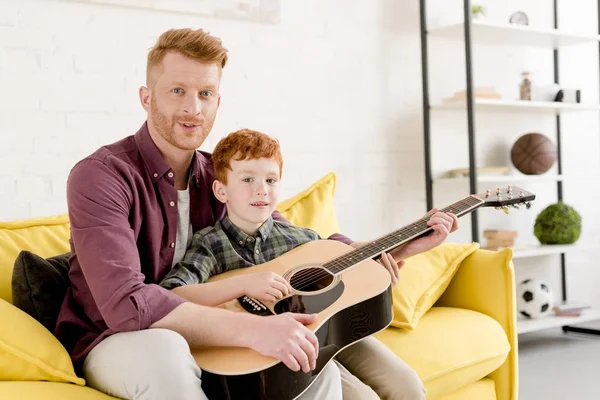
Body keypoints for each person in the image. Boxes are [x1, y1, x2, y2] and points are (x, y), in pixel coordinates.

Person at [54, 28, 458, 400]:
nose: (193, 108)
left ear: (218, 100)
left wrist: (402, 247)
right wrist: (258, 331)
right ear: (146, 97)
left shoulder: (224, 176)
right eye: (177, 90)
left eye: (206, 93)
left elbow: (299, 250)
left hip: (222, 325)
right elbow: (127, 306)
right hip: (117, 336)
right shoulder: (102, 176)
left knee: (365, 386)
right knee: (166, 349)